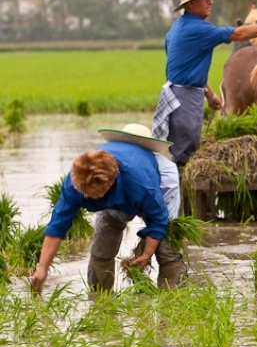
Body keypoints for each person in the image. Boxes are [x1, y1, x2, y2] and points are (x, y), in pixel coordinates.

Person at [153, 0, 257, 167]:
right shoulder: (197, 29)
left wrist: (210, 94)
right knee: (185, 154)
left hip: (183, 94)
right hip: (186, 100)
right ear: (190, 4)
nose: (210, 2)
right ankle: (178, 195)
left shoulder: (176, 29)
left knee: (183, 151)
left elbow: (183, 69)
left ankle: (179, 193)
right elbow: (238, 34)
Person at [31, 124, 186, 294]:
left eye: (90, 194)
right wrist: (42, 268)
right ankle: (100, 301)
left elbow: (158, 220)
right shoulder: (76, 184)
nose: (84, 198)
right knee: (102, 246)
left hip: (148, 187)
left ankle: (173, 300)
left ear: (109, 186)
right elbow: (57, 227)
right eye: (83, 191)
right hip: (119, 191)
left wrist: (146, 254)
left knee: (167, 248)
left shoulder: (142, 185)